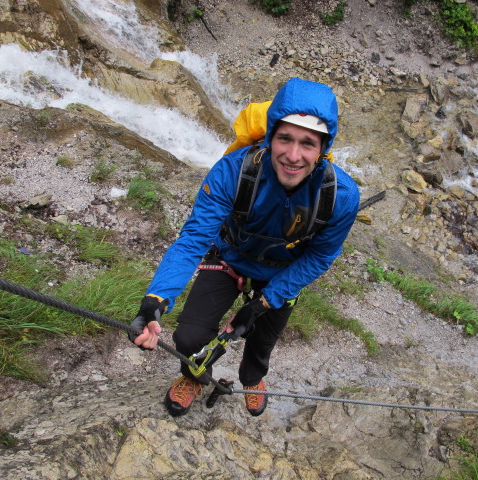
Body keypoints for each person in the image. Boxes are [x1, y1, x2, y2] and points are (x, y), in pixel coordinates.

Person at [130, 77, 359, 417]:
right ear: (270, 135)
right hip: (230, 258)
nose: (293, 156)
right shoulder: (233, 172)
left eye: (307, 144)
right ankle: (194, 374)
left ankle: (253, 378)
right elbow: (194, 240)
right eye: (284, 138)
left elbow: (320, 256)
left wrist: (266, 300)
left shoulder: (340, 197)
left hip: (283, 271)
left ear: (323, 148)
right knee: (189, 338)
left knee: (262, 341)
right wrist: (156, 300)